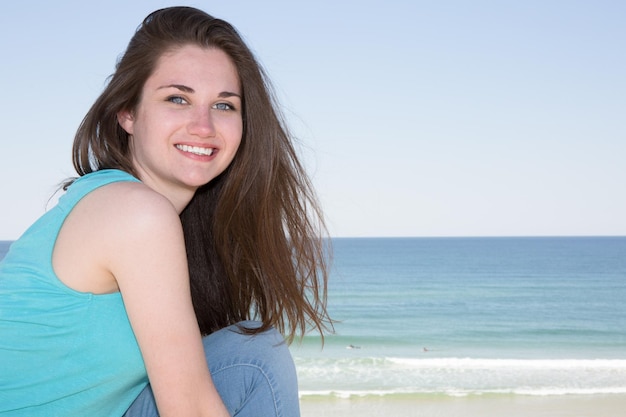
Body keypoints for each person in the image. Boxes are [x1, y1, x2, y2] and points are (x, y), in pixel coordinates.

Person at [0, 6, 332, 417]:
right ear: (128, 113)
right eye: (178, 99)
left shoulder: (137, 209)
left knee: (250, 353)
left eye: (224, 106)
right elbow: (187, 407)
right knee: (256, 358)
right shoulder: (134, 213)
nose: (204, 126)